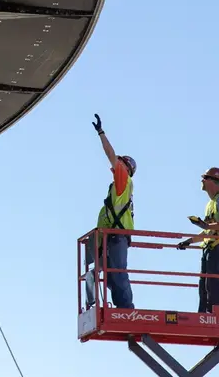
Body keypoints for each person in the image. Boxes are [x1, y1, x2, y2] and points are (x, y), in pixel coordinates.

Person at [84, 114, 136, 309]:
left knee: (118, 272)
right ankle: (120, 308)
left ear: (125, 168)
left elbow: (110, 155)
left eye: (120, 164)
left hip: (116, 237)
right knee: (111, 274)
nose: (115, 165)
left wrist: (101, 133)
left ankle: (126, 309)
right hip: (111, 238)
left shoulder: (123, 180)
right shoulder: (118, 187)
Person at [178, 167, 219, 314]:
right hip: (211, 249)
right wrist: (189, 241)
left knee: (212, 285)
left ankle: (214, 314)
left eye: (206, 178)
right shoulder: (211, 204)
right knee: (204, 286)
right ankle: (204, 314)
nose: (202, 180)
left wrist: (205, 225)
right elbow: (209, 231)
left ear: (215, 182)